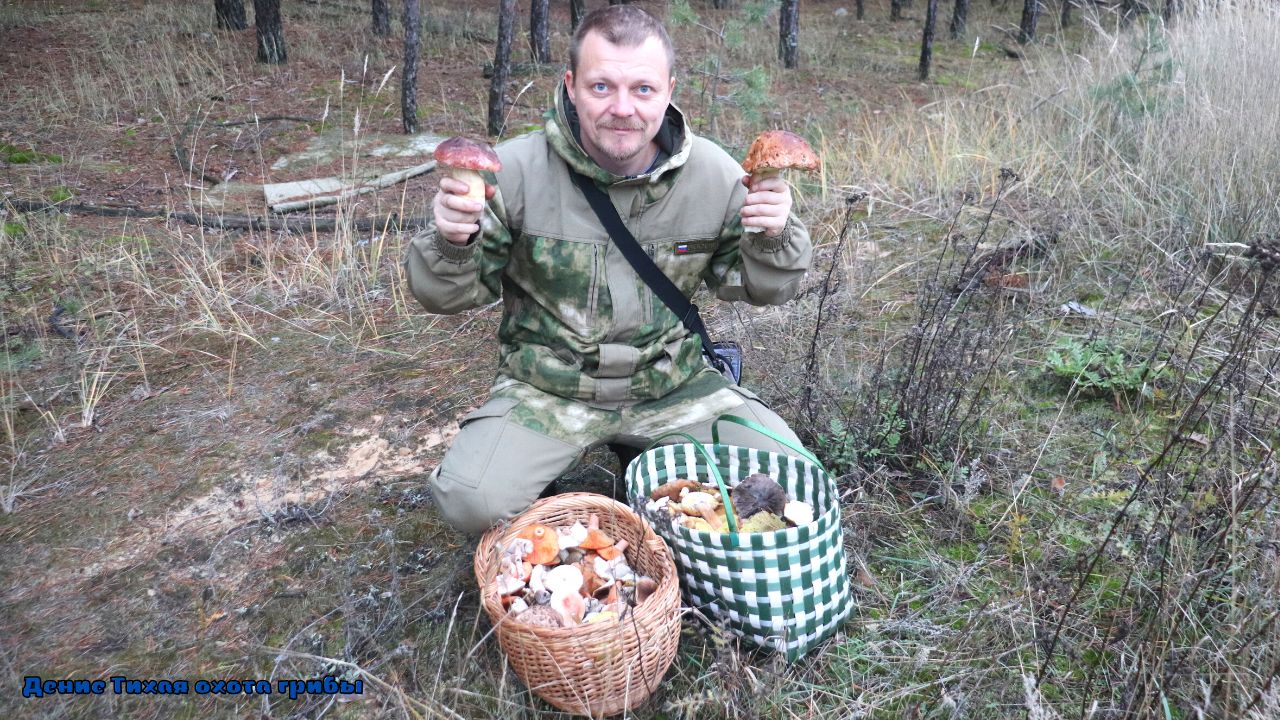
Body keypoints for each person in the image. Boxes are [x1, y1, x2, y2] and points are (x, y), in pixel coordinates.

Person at [404, 5, 813, 535]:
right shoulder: (514, 172)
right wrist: (452, 241)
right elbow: (443, 296)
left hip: (674, 384)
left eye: (642, 89)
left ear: (669, 90)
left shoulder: (716, 175)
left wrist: (775, 236)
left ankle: (649, 461)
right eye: (602, 87)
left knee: (793, 478)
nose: (623, 109)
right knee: (470, 502)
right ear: (571, 87)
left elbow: (765, 289)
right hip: (548, 387)